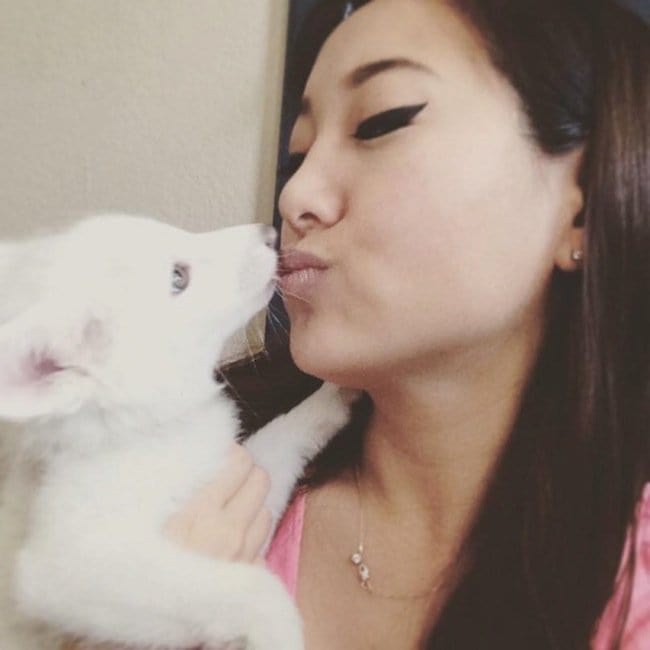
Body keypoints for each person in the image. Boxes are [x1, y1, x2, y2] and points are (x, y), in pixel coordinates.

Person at [63, 0, 649, 648]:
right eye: (297, 154)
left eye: (380, 122)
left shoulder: (631, 584)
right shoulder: (183, 487)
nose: (295, 196)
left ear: (582, 206)